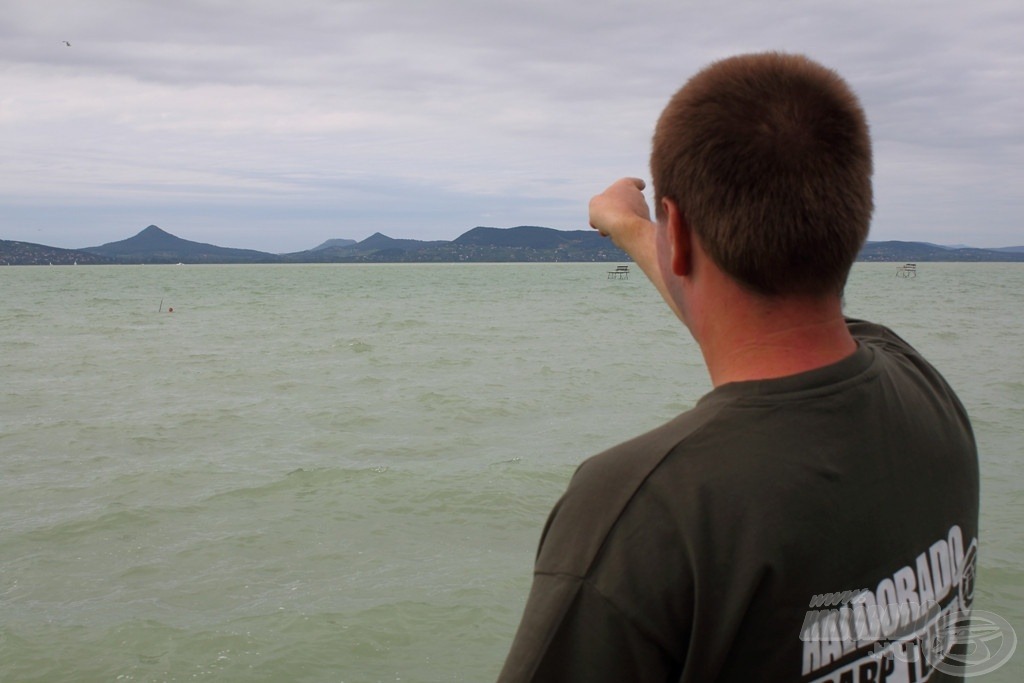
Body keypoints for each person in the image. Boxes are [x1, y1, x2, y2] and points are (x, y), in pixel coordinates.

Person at [498, 53, 978, 682]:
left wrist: (641, 225)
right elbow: (754, 321)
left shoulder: (643, 510)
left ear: (686, 238)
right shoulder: (926, 391)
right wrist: (636, 229)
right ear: (855, 219)